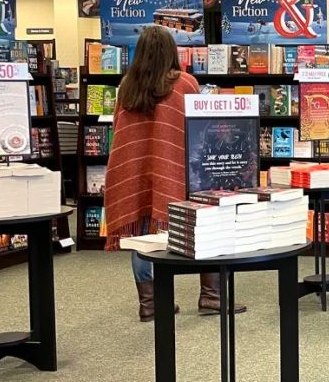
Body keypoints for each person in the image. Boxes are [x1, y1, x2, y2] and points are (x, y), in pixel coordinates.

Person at [104, 27, 247, 322]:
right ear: (172, 51)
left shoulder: (126, 87)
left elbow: (120, 132)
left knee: (143, 233)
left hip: (136, 172)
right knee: (207, 226)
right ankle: (211, 296)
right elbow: (200, 132)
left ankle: (151, 304)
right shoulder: (185, 83)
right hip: (180, 171)